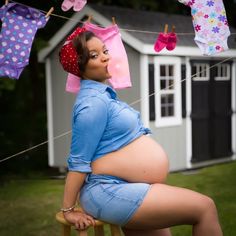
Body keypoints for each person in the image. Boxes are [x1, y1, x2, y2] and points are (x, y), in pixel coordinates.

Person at [59, 27, 223, 236]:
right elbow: (79, 161)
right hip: (108, 190)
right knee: (204, 208)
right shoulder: (92, 103)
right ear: (80, 67)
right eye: (94, 55)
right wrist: (68, 209)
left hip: (126, 185)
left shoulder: (104, 97)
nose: (105, 58)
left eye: (104, 51)